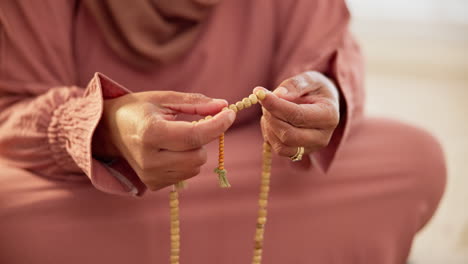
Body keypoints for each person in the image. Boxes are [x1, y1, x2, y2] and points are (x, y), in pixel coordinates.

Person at [0, 0, 446, 263]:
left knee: (414, 160)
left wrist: (321, 93)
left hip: (259, 169)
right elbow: (13, 109)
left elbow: (325, 59)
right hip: (94, 188)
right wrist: (108, 128)